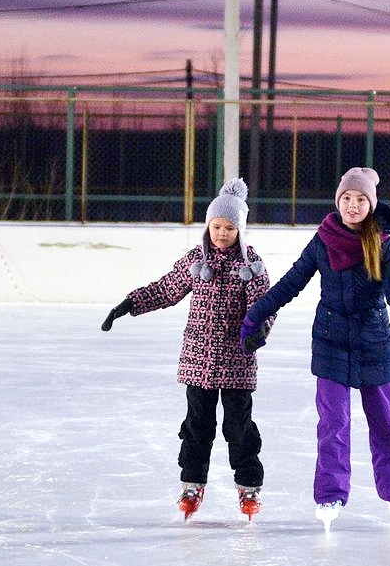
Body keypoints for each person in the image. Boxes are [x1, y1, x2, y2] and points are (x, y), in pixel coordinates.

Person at [240, 167, 390, 528]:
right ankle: (330, 495)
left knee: (386, 424)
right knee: (333, 424)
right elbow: (291, 282)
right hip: (331, 344)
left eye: (360, 200)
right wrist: (254, 316)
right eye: (346, 199)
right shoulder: (323, 240)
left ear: (370, 205)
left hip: (374, 343)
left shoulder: (382, 244)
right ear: (338, 201)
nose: (352, 206)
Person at [101, 178, 273, 521]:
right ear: (208, 226)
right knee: (197, 426)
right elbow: (166, 289)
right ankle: (192, 483)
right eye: (216, 226)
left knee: (238, 428)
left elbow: (264, 305)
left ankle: (249, 487)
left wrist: (257, 333)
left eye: (229, 227)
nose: (222, 233)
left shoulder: (251, 265)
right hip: (198, 361)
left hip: (238, 362)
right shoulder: (196, 260)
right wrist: (129, 304)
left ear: (240, 230)